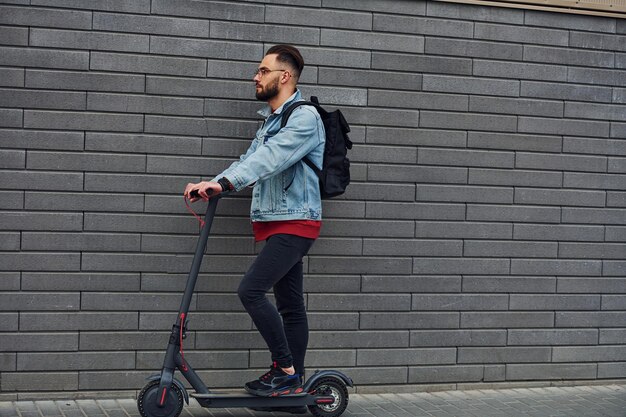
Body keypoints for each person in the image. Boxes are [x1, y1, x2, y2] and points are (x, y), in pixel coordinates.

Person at [184, 45, 325, 399]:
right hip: (277, 222)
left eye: (263, 70)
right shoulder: (271, 121)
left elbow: (271, 159)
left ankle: (285, 370)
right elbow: (249, 159)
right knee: (290, 305)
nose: (256, 76)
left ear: (285, 76)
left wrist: (226, 183)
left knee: (250, 290)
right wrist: (213, 183)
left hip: (296, 221)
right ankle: (292, 385)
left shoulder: (304, 117)